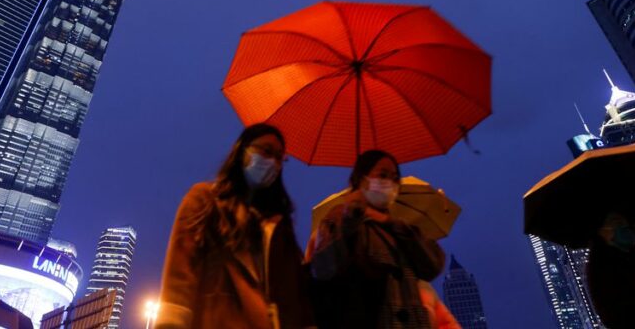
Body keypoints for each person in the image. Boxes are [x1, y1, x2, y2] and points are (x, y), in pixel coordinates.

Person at [157, 123, 314, 329]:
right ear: (243, 151)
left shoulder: (278, 225)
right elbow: (180, 274)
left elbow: (295, 294)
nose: (273, 162)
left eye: (279, 157)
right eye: (266, 151)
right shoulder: (206, 200)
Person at [310, 149, 445, 329]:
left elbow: (432, 265)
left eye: (395, 177)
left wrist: (392, 223)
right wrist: (349, 221)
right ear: (361, 180)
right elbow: (323, 268)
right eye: (382, 175)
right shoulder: (339, 217)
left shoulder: (399, 226)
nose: (389, 182)